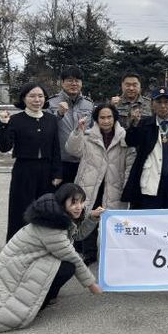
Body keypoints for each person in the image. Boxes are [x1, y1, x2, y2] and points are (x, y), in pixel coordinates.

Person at [0, 184, 104, 333]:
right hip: (16, 269)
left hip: (21, 263)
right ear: (62, 202)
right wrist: (91, 285)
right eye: (73, 202)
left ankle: (47, 295)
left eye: (81, 202)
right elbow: (72, 257)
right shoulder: (52, 227)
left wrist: (91, 218)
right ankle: (41, 302)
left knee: (63, 264)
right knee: (68, 267)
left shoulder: (55, 216)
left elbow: (76, 235)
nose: (79, 207)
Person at [66, 103, 133, 265]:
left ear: (115, 118)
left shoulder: (124, 137)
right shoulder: (88, 135)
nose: (106, 121)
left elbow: (130, 162)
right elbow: (73, 150)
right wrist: (78, 131)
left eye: (109, 117)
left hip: (114, 184)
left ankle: (112, 252)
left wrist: (127, 185)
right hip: (90, 183)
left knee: (113, 220)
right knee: (88, 216)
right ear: (97, 119)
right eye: (102, 117)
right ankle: (89, 253)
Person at [0, 83, 62, 242]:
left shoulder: (51, 120)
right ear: (24, 98)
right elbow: (4, 147)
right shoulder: (15, 120)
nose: (37, 100)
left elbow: (56, 148)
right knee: (20, 208)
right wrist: (3, 125)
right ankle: (16, 245)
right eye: (32, 96)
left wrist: (57, 172)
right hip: (24, 169)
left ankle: (44, 244)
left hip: (47, 170)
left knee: (46, 209)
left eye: (40, 96)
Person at [121, 86, 168, 209]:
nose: (163, 106)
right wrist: (134, 124)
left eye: (166, 102)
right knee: (149, 215)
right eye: (159, 102)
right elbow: (130, 141)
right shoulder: (144, 124)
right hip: (150, 179)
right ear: (152, 104)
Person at [47, 66, 94, 184]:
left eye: (77, 80)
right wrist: (59, 114)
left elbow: (93, 129)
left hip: (83, 161)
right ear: (62, 83)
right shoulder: (51, 103)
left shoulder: (89, 104)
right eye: (69, 80)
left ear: (81, 83)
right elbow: (46, 128)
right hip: (60, 161)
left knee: (81, 194)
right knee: (60, 194)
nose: (74, 84)